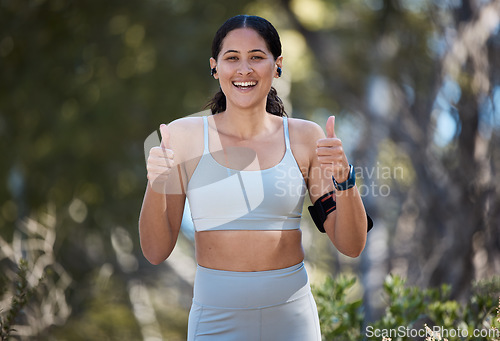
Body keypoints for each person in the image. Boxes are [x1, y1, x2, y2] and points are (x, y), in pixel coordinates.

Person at [139, 14, 372, 341]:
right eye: (232, 58)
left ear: (277, 65)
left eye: (257, 57)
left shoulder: (305, 137)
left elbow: (351, 245)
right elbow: (155, 251)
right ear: (214, 66)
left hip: (292, 319)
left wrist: (345, 180)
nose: (244, 69)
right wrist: (156, 182)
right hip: (214, 320)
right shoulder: (183, 136)